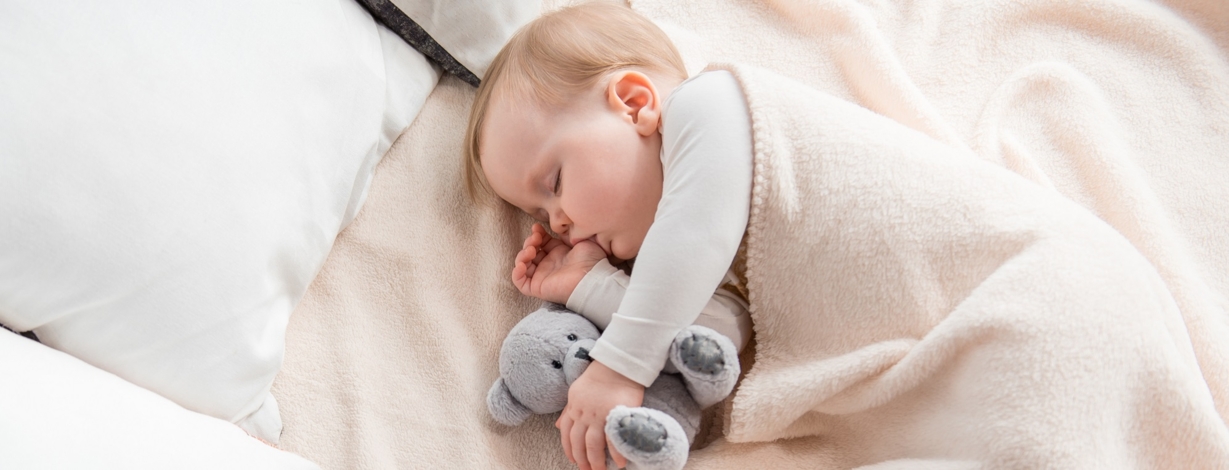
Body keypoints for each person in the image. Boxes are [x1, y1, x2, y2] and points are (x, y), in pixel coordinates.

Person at [462, 2, 754, 469]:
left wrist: (619, 366)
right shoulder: (699, 274)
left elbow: (696, 233)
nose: (555, 224)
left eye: (554, 183)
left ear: (634, 104)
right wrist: (588, 286)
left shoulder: (711, 104)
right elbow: (709, 333)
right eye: (538, 212)